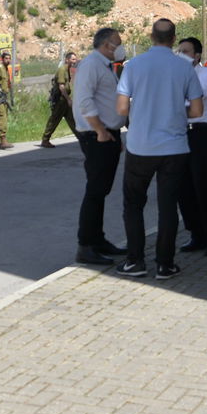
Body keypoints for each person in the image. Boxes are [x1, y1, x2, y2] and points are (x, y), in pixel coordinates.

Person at [113, 18, 205, 280]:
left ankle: (135, 261)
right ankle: (165, 264)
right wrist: (175, 110)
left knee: (133, 205)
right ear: (174, 39)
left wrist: (142, 111)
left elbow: (121, 108)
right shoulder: (185, 67)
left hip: (140, 146)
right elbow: (197, 111)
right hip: (174, 148)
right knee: (168, 207)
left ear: (151, 37)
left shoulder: (134, 66)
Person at [72, 28, 128, 265]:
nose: (121, 47)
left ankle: (98, 239)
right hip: (97, 137)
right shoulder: (91, 65)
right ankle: (86, 246)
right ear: (106, 44)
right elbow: (84, 101)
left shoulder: (104, 65)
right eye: (118, 43)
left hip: (107, 135)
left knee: (101, 191)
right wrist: (101, 131)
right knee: (95, 192)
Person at [176, 37, 207, 256]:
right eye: (178, 51)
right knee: (183, 187)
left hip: (201, 135)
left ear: (197, 55)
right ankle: (196, 234)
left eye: (185, 51)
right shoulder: (175, 76)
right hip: (181, 133)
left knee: (202, 186)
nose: (180, 55)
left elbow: (196, 98)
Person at [39, 51, 79, 148]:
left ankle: (82, 138)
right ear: (67, 59)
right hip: (60, 100)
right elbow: (61, 87)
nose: (75, 61)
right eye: (73, 59)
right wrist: (68, 99)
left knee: (72, 119)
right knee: (55, 119)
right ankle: (45, 139)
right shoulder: (62, 70)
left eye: (75, 59)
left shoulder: (68, 69)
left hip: (64, 100)